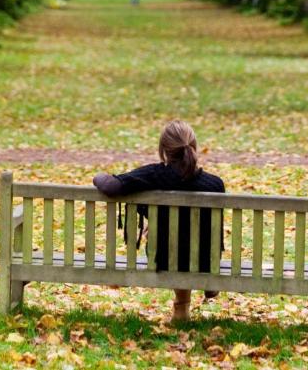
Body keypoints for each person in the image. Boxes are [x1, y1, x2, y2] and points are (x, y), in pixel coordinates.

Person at [93, 121, 223, 322]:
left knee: (172, 241)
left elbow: (110, 186)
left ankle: (182, 307)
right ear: (194, 147)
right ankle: (204, 285)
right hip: (205, 261)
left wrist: (99, 174)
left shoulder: (154, 175)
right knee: (192, 237)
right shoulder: (215, 184)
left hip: (163, 257)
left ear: (164, 150)